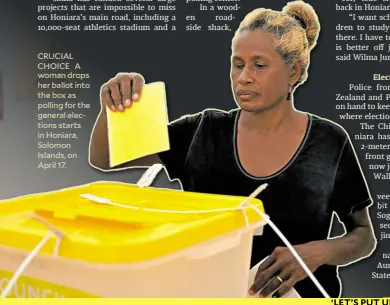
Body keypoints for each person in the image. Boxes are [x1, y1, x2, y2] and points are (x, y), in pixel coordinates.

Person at [89, 0, 376, 298]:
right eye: (238, 64)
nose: (244, 77)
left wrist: (318, 252)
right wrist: (112, 104)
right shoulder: (203, 131)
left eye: (259, 65)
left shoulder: (330, 141)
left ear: (294, 71)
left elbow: (364, 236)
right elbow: (105, 159)